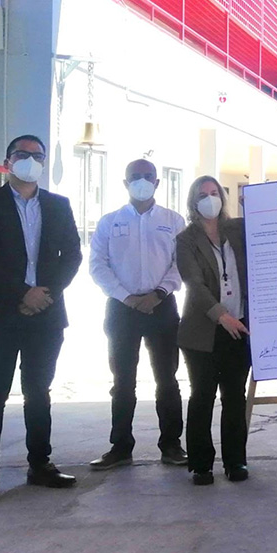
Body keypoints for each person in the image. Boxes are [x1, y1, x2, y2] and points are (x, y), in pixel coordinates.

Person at [0, 134, 83, 504]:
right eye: (22, 154)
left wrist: (44, 294)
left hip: (45, 314)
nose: (30, 160)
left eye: (37, 155)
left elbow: (73, 255)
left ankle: (40, 465)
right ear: (7, 161)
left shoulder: (58, 205)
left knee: (38, 393)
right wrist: (21, 293)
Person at [87, 158, 188, 471]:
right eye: (135, 177)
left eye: (148, 177)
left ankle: (171, 445)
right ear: (125, 182)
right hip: (122, 310)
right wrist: (127, 297)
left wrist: (158, 294)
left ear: (157, 183)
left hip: (162, 307)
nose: (141, 181)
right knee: (122, 381)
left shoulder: (174, 221)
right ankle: (120, 447)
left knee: (167, 379)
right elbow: (97, 265)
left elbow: (181, 263)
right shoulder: (109, 222)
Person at [175, 177, 251, 486]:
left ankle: (236, 462)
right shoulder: (185, 239)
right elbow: (194, 284)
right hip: (202, 331)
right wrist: (222, 317)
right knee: (202, 395)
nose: (210, 199)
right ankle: (201, 464)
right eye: (203, 195)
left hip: (240, 326)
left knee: (234, 396)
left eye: (214, 193)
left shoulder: (238, 230)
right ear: (193, 201)